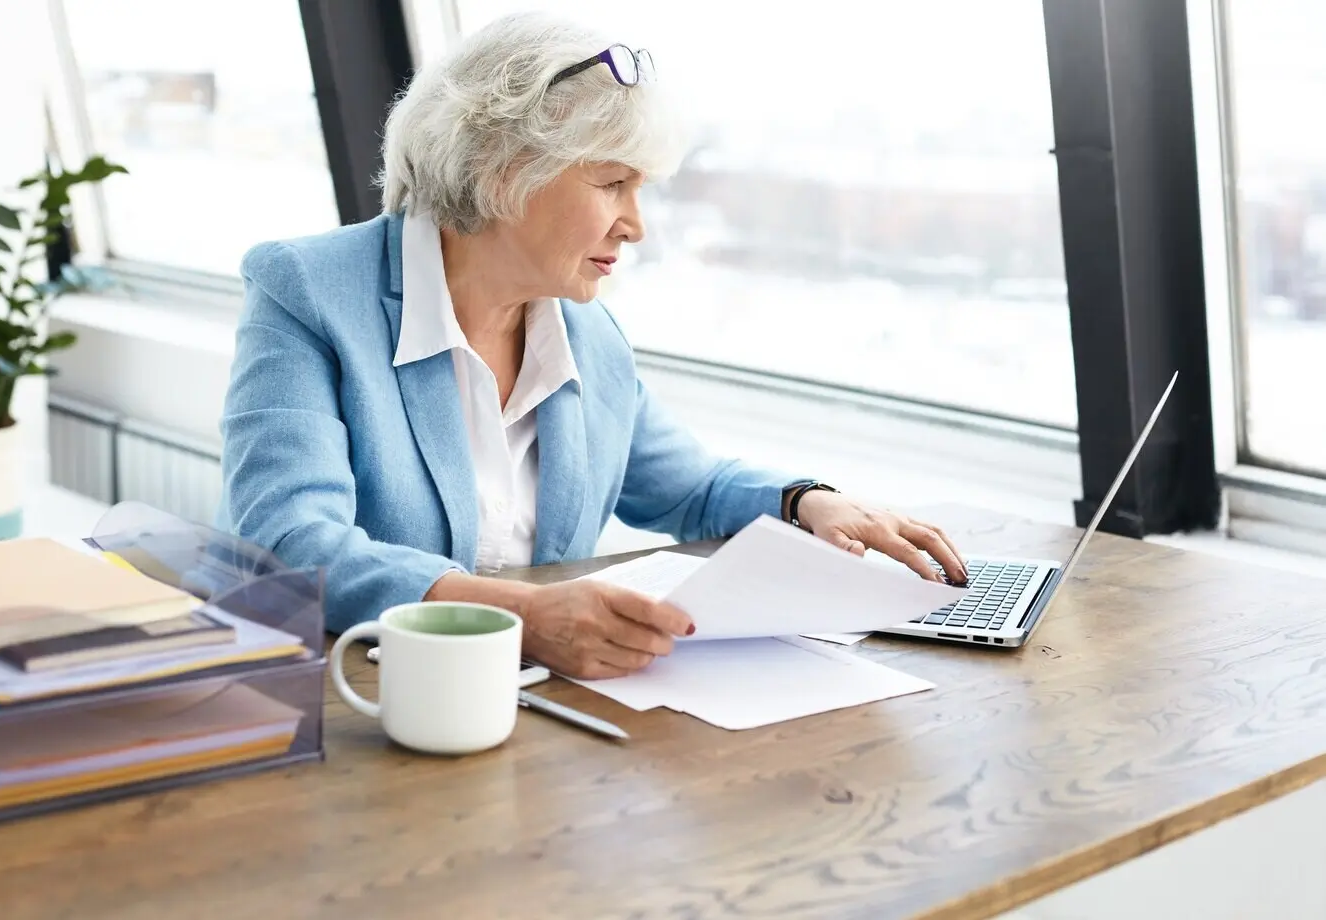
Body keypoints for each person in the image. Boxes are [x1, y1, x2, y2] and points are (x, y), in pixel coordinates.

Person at [217, 11, 967, 680]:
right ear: (503, 170)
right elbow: (289, 545)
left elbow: (688, 488)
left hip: (539, 717)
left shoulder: (585, 330)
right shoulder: (307, 291)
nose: (636, 225)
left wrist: (810, 502)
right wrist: (520, 617)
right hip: (367, 706)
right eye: (612, 183)